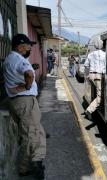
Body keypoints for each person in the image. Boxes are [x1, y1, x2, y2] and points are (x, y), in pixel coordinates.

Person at [3, 34, 46, 179]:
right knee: (32, 135)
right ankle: (29, 166)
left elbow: (23, 71)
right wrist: (27, 85)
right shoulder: (19, 60)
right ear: (20, 46)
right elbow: (28, 73)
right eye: (28, 45)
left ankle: (32, 162)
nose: (30, 48)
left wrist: (30, 71)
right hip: (25, 102)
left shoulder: (10, 59)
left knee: (34, 131)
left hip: (15, 102)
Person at [84, 38, 106, 117]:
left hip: (91, 75)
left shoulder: (90, 54)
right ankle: (89, 111)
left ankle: (96, 106)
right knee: (99, 96)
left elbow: (86, 65)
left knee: (95, 91)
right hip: (98, 76)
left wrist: (88, 73)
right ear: (102, 45)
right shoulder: (105, 54)